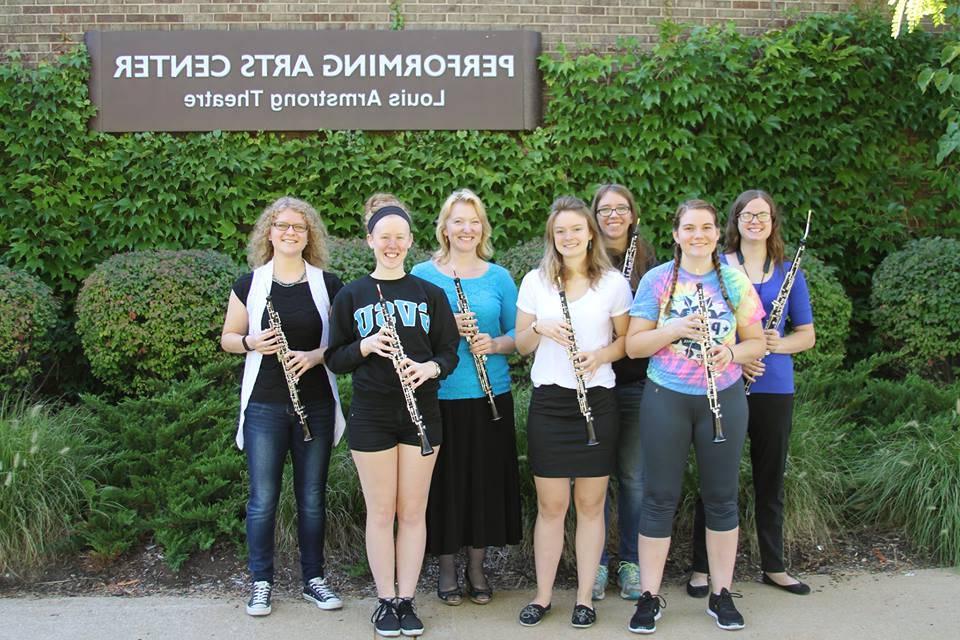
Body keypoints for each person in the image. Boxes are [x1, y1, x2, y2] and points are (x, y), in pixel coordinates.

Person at [625, 199, 765, 633]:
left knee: (722, 497)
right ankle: (649, 596)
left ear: (716, 234)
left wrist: (731, 352)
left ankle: (721, 593)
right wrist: (674, 330)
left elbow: (757, 342)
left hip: (722, 397)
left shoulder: (735, 282)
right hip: (667, 396)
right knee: (658, 498)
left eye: (706, 227)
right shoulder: (657, 280)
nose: (698, 235)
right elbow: (633, 346)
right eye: (689, 227)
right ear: (676, 233)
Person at [325, 194, 460, 638]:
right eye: (384, 237)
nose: (392, 244)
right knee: (381, 511)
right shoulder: (352, 294)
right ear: (370, 240)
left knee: (413, 510)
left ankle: (407, 599)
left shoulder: (430, 293)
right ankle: (385, 600)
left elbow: (449, 352)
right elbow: (334, 358)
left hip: (422, 411)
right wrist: (364, 346)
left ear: (410, 241)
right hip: (372, 415)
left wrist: (430, 368)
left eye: (400, 237)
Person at [220, 196, 346, 617]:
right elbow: (228, 339)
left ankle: (314, 579)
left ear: (309, 235)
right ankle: (261, 581)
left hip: (316, 403)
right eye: (282, 225)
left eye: (299, 226)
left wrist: (314, 356)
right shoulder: (249, 284)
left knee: (312, 497)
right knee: (262, 499)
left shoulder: (328, 284)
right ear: (268, 232)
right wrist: (252, 343)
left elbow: (344, 346)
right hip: (265, 406)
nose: (290, 232)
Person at [687, 190, 816, 599]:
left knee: (769, 478)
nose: (754, 221)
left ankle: (774, 566)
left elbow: (807, 336)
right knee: (715, 476)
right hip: (724, 380)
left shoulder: (788, 272)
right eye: (746, 214)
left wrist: (771, 345)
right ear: (735, 221)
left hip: (774, 385)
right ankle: (701, 569)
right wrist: (740, 354)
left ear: (773, 221)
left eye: (762, 214)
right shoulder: (716, 266)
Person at [514, 196, 633, 629]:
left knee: (590, 503)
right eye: (560, 231)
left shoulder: (614, 284)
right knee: (551, 505)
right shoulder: (535, 281)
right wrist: (538, 328)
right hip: (550, 403)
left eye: (576, 229)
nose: (568, 237)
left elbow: (627, 342)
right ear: (553, 236)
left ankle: (585, 598)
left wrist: (601, 356)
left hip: (597, 402)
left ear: (590, 234)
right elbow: (522, 344)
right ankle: (543, 596)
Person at [410, 189, 522, 607]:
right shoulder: (422, 274)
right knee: (445, 484)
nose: (466, 229)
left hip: (490, 395)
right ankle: (445, 567)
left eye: (473, 221)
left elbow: (518, 337)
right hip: (439, 396)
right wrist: (446, 327)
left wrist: (492, 344)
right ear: (444, 227)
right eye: (458, 221)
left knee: (483, 484)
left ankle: (477, 566)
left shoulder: (499, 277)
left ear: (483, 227)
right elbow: (410, 336)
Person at [590, 184, 658, 601]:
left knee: (633, 477)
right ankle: (596, 564)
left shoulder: (652, 265)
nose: (613, 215)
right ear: (594, 216)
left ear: (633, 215)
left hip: (634, 382)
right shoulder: (584, 260)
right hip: (595, 382)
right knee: (595, 479)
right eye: (605, 209)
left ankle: (630, 561)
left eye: (621, 209)